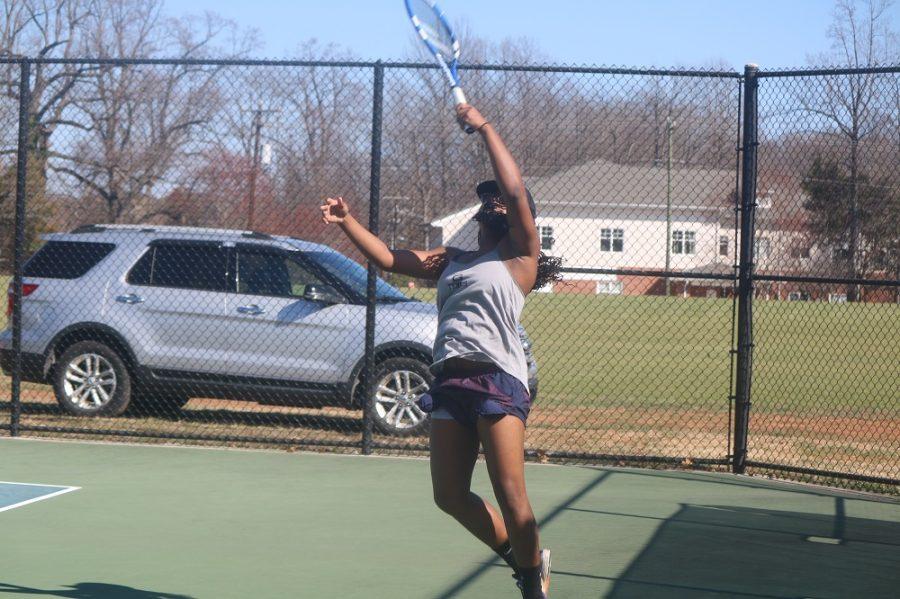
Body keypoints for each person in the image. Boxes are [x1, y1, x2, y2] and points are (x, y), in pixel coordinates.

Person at [320, 102, 561, 599]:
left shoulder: (520, 257)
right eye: (485, 200)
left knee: (511, 496)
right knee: (448, 496)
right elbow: (389, 257)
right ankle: (523, 559)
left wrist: (485, 128)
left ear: (520, 218)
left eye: (498, 201)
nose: (491, 203)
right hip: (450, 382)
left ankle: (533, 582)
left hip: (497, 380)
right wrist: (347, 222)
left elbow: (514, 189)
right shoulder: (452, 260)